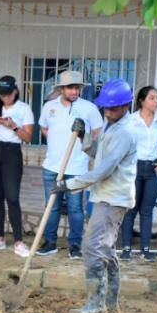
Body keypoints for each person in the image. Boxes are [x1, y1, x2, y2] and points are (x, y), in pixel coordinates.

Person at [52, 79, 141, 313]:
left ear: (126, 105)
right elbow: (97, 153)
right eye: (106, 108)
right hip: (106, 195)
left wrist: (68, 185)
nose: (108, 111)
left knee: (92, 247)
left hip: (113, 199)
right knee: (106, 249)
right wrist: (83, 137)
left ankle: (95, 304)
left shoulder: (125, 131)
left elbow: (104, 169)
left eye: (113, 108)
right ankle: (110, 303)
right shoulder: (111, 124)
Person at [36, 70, 104, 259]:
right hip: (51, 166)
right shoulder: (49, 106)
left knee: (75, 209)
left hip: (77, 168)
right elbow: (43, 127)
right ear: (62, 88)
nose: (74, 91)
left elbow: (98, 133)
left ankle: (75, 245)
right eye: (70, 88)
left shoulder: (89, 108)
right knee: (52, 207)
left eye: (77, 88)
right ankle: (50, 243)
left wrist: (86, 141)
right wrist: (54, 140)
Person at [0, 75, 35, 257]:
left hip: (12, 152)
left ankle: (19, 241)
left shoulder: (24, 108)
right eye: (2, 95)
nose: (5, 98)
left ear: (16, 91)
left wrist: (13, 126)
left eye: (8, 94)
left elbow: (28, 137)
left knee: (12, 196)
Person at [119, 86, 157, 261]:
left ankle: (145, 250)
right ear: (142, 101)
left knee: (147, 211)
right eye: (152, 98)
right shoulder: (131, 121)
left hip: (153, 169)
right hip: (135, 168)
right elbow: (124, 144)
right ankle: (126, 249)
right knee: (131, 209)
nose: (156, 102)